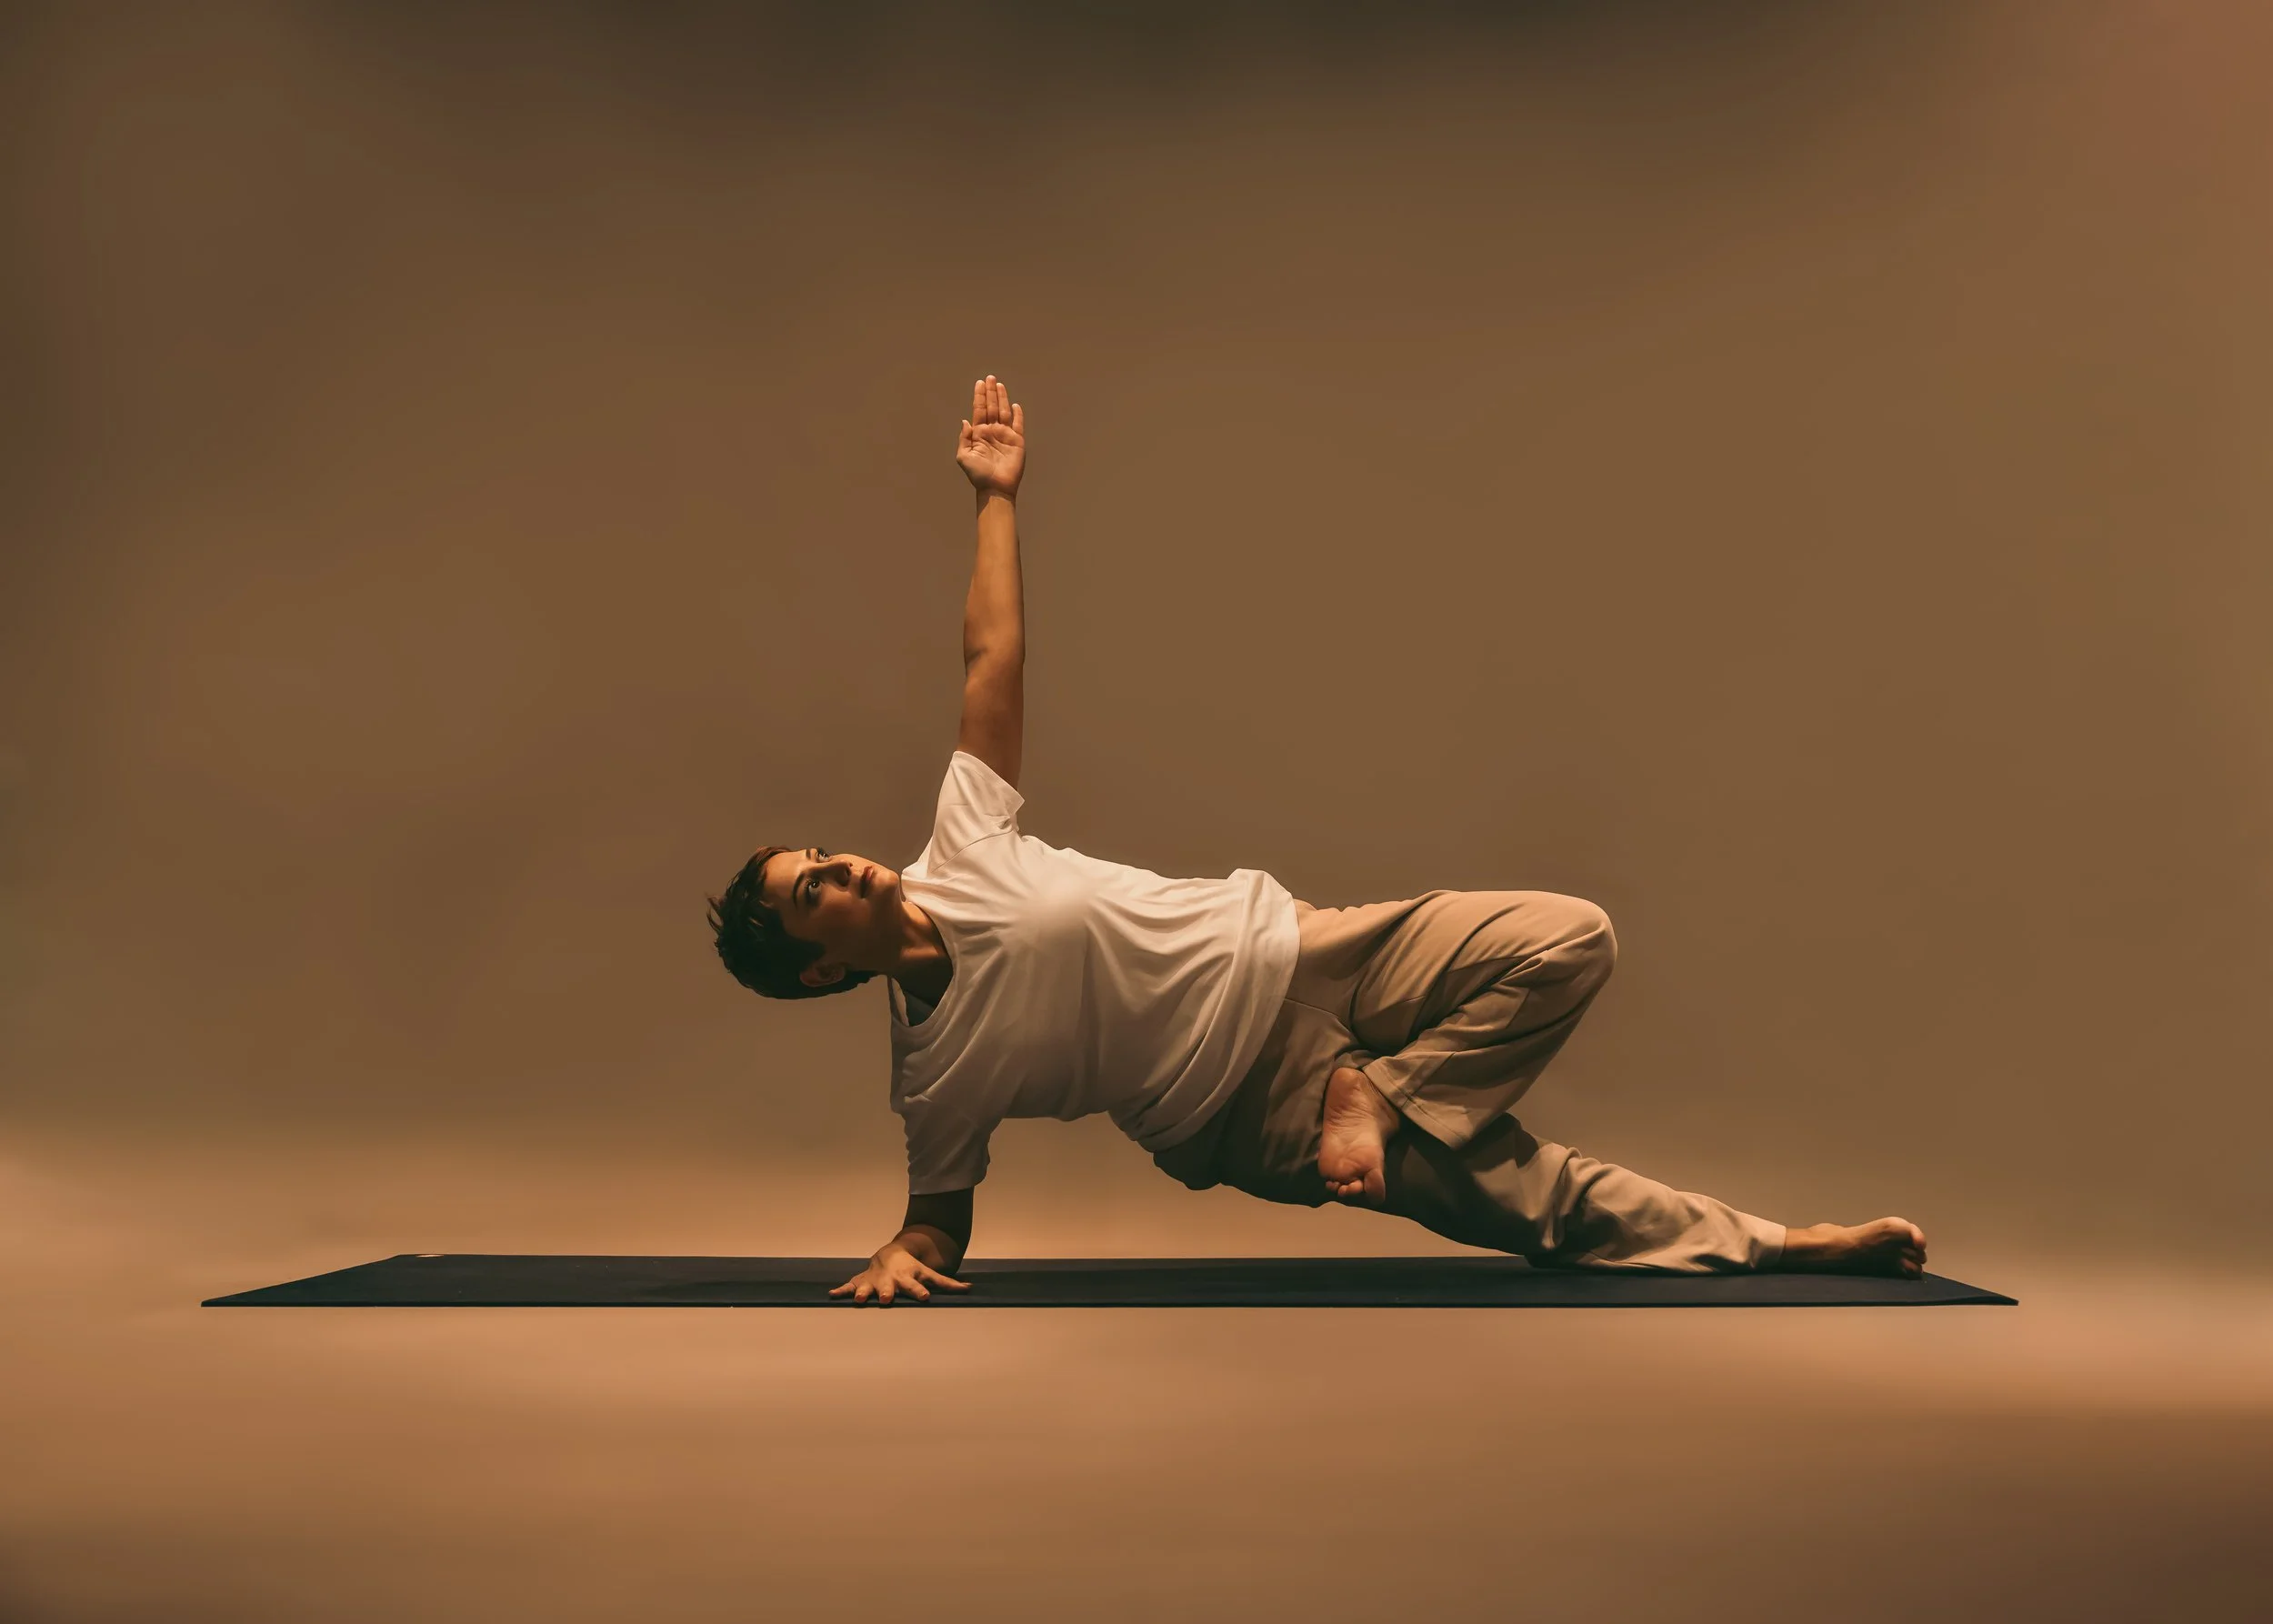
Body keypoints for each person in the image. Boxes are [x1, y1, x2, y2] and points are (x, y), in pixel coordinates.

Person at [706, 376, 1929, 1306]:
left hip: (1306, 952)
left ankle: (1382, 1093)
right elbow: (937, 1217)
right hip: (1249, 1110)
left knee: (1567, 936)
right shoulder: (933, 1075)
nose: (838, 865)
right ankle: (1786, 1241)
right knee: (1531, 1201)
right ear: (821, 966)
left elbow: (992, 657)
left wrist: (994, 498)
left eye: (817, 856)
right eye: (811, 892)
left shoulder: (961, 841)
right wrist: (901, 1255)